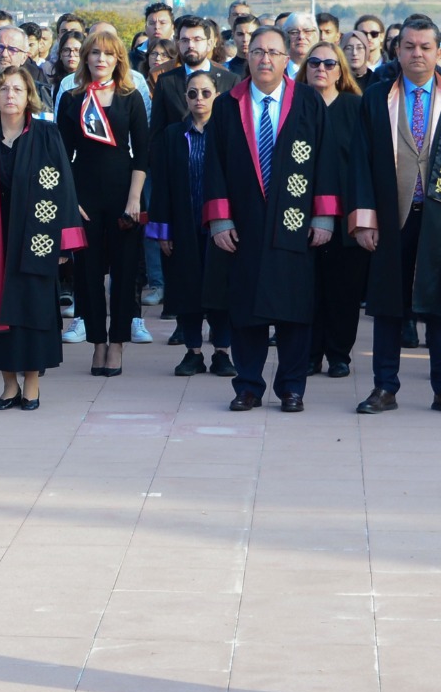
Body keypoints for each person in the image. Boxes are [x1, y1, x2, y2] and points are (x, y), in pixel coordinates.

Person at [351, 15, 441, 417]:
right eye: (409, 46)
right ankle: (384, 387)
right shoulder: (377, 97)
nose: (417, 54)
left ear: (440, 52)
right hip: (391, 216)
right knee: (387, 306)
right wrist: (364, 219)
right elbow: (361, 161)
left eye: (425, 47)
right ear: (397, 51)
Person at [206, 27, 339, 412]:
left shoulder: (309, 103)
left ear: (287, 60)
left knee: (294, 309)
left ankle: (291, 387)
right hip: (244, 223)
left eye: (274, 53)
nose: (265, 59)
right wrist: (219, 220)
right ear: (248, 57)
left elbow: (326, 161)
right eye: (258, 51)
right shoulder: (229, 105)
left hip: (295, 224)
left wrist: (325, 215)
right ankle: (247, 385)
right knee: (246, 309)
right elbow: (212, 166)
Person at [0, 63, 82, 411]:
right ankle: (9, 384)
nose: (10, 95)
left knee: (33, 311)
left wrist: (61, 245)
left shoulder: (46, 135)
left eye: (18, 89)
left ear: (29, 97)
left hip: (35, 240)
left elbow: (64, 190)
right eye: (4, 88)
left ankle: (33, 384)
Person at [57, 28, 150, 377]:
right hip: (84, 196)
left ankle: (117, 344)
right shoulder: (72, 99)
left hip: (124, 191)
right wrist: (71, 199)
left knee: (125, 275)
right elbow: (62, 155)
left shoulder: (130, 97)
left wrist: (134, 199)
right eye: (95, 53)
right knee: (88, 274)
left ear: (118, 60)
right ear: (86, 58)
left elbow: (142, 152)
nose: (101, 59)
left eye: (108, 54)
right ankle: (97, 342)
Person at [150, 70, 233, 379]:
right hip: (183, 224)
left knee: (221, 289)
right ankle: (193, 351)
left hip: (219, 226)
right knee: (186, 289)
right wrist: (163, 230)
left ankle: (223, 351)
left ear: (217, 95)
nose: (199, 99)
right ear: (185, 97)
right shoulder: (173, 134)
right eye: (193, 93)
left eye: (206, 93)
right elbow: (162, 185)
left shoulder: (227, 131)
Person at [301, 43, 369, 381]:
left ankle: (338, 354)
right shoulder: (294, 104)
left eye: (329, 63)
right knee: (309, 290)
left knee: (344, 290)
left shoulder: (356, 106)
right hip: (300, 214)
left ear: (341, 70)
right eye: (314, 62)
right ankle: (310, 354)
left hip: (348, 215)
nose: (321, 68)